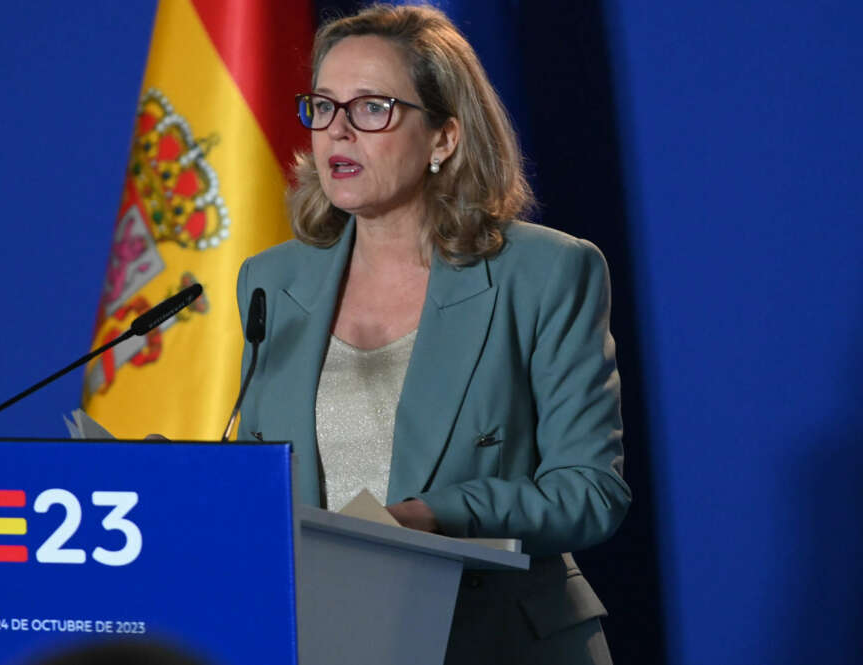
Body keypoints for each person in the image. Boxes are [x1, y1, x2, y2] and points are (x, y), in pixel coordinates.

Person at [235, 4, 631, 664]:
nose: (337, 131)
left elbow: (590, 492)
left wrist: (433, 513)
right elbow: (265, 466)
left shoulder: (546, 272)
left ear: (444, 137)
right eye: (324, 106)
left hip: (496, 640)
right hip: (326, 639)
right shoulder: (272, 279)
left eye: (371, 109)